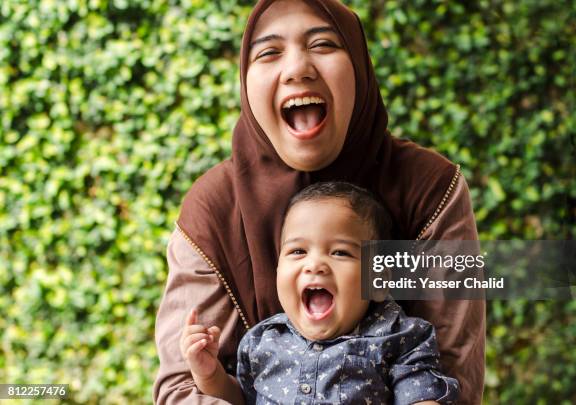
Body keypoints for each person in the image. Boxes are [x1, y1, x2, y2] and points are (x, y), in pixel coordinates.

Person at [154, 0, 485, 404]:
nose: (297, 69)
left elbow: (453, 378)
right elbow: (182, 388)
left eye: (324, 44)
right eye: (269, 52)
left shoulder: (427, 188)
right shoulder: (213, 209)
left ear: (361, 69)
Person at [180, 182, 459, 404]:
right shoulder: (261, 341)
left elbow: (420, 393)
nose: (314, 265)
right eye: (298, 251)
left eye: (340, 252)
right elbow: (240, 399)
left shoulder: (398, 336)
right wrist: (210, 374)